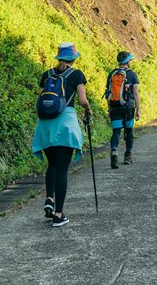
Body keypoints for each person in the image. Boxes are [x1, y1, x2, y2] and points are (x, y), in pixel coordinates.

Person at [31, 42, 92, 227]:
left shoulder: (46, 75)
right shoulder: (76, 75)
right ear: (73, 58)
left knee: (52, 164)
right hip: (64, 125)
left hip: (45, 126)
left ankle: (49, 199)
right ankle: (58, 214)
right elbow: (82, 100)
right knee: (62, 170)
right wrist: (88, 109)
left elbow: (40, 101)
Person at [104, 51, 140, 168]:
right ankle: (127, 156)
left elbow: (108, 93)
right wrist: (138, 110)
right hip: (128, 107)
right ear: (127, 62)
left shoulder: (111, 74)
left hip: (115, 107)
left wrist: (109, 109)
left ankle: (114, 151)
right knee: (129, 131)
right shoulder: (132, 74)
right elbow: (135, 93)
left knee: (116, 131)